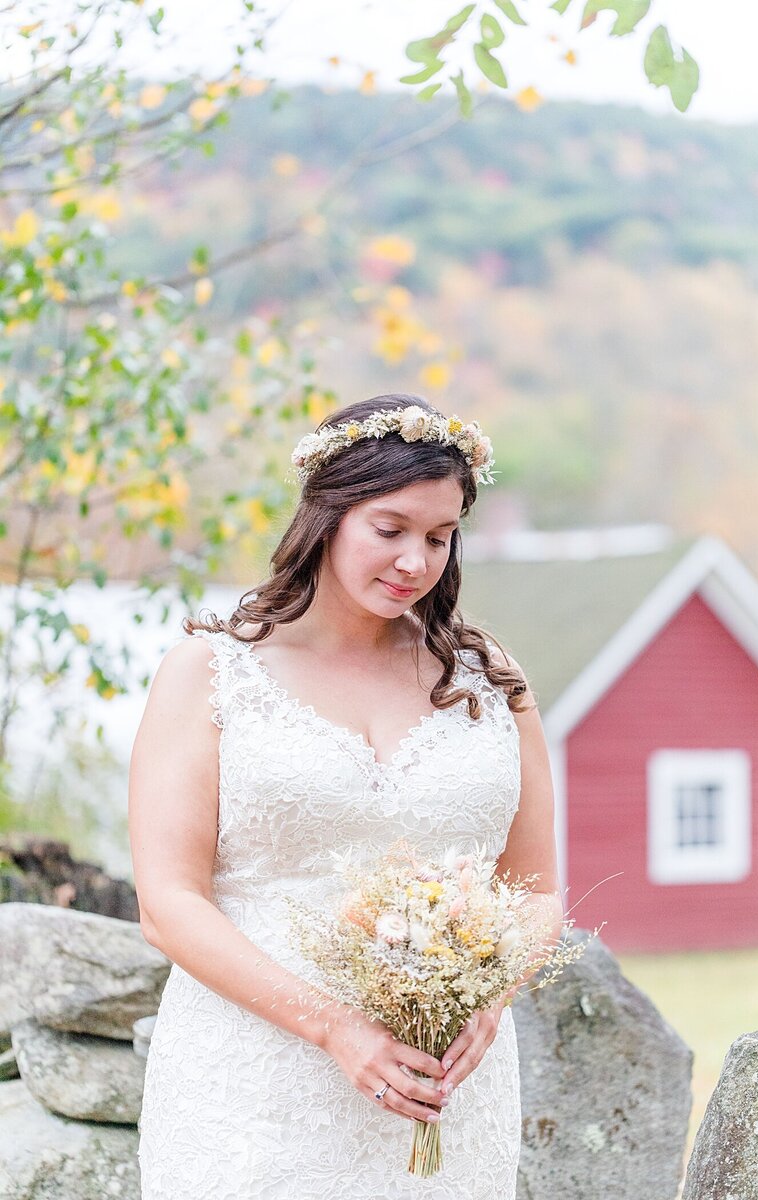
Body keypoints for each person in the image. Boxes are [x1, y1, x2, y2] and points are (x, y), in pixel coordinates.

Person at [129, 393, 563, 1200]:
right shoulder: (213, 671)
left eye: (439, 537)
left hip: (444, 1097)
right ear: (325, 517)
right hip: (255, 1086)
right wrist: (334, 1027)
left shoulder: (490, 680)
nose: (415, 562)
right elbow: (167, 903)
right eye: (390, 529)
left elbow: (536, 894)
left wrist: (487, 1001)